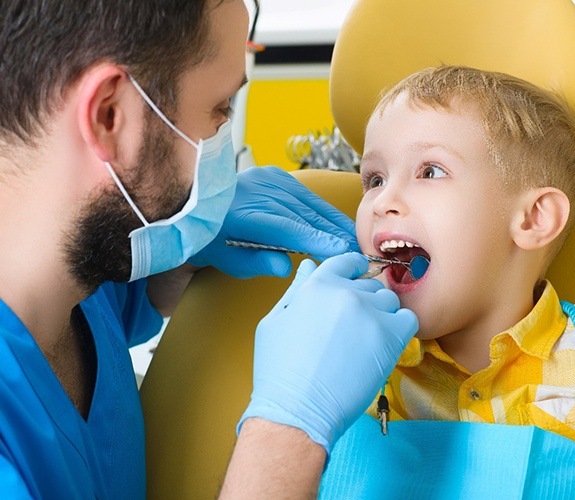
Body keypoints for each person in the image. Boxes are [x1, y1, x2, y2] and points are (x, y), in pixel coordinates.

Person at [0, 0, 418, 497]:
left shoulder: (70, 287)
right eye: (219, 110)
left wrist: (171, 258)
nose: (223, 141)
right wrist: (288, 431)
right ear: (109, 115)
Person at [355, 65, 575, 440]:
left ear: (534, 219)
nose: (382, 201)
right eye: (375, 179)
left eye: (430, 172)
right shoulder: (354, 364)